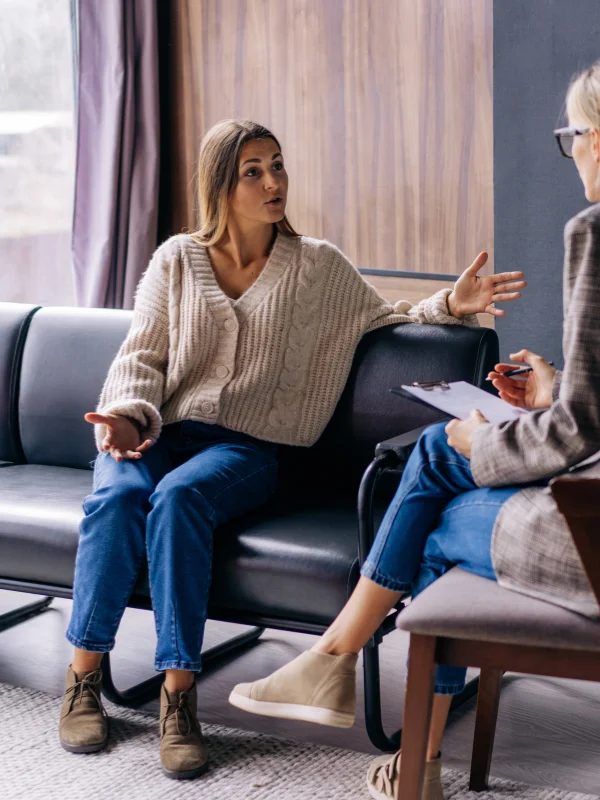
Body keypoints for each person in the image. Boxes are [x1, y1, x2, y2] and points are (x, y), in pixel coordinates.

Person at [58, 119, 525, 779]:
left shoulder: (316, 266)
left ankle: (178, 697)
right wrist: (128, 419)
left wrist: (453, 301)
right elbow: (142, 358)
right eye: (254, 170)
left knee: (180, 500)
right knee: (116, 499)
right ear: (221, 183)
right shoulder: (175, 260)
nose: (274, 182)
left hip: (244, 449)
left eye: (277, 165)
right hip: (155, 429)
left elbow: (384, 316)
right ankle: (83, 678)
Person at [229, 62, 600, 800]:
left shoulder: (595, 230)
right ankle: (355, 684)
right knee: (433, 465)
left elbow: (579, 431)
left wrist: (486, 440)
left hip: (589, 542)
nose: (575, 150)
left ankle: (377, 713)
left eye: (576, 135)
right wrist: (553, 393)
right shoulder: (185, 267)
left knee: (430, 514)